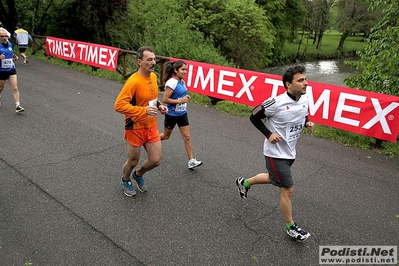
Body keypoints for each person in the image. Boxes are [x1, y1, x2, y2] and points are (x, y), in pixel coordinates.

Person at [235, 64, 314, 242]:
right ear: (288, 84)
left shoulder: (305, 98)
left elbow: (303, 113)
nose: (305, 83)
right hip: (275, 153)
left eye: (305, 79)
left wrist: (307, 122)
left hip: (290, 151)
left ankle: (244, 182)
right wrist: (269, 134)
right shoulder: (275, 103)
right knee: (288, 189)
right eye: (300, 80)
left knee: (274, 178)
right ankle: (291, 227)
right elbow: (253, 116)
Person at [114, 46, 168, 197]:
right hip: (135, 127)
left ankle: (138, 175)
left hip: (150, 125)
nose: (153, 63)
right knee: (133, 160)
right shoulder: (133, 82)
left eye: (154, 59)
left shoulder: (153, 77)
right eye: (149, 60)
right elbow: (118, 105)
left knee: (156, 160)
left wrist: (159, 105)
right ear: (139, 62)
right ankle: (125, 179)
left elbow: (150, 98)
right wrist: (143, 111)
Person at [159, 60, 203, 170]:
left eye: (186, 70)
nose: (185, 72)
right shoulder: (171, 83)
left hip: (182, 113)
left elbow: (180, 95)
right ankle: (149, 140)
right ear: (175, 70)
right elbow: (165, 99)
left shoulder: (182, 82)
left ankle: (191, 161)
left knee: (187, 137)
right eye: (183, 69)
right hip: (172, 114)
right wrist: (180, 101)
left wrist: (185, 98)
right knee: (166, 136)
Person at [0, 28, 25, 112]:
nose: (4, 37)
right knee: (1, 88)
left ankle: (18, 106)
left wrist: (14, 56)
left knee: (15, 87)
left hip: (11, 69)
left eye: (6, 36)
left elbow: (10, 53)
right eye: (2, 36)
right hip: (1, 71)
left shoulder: (10, 44)